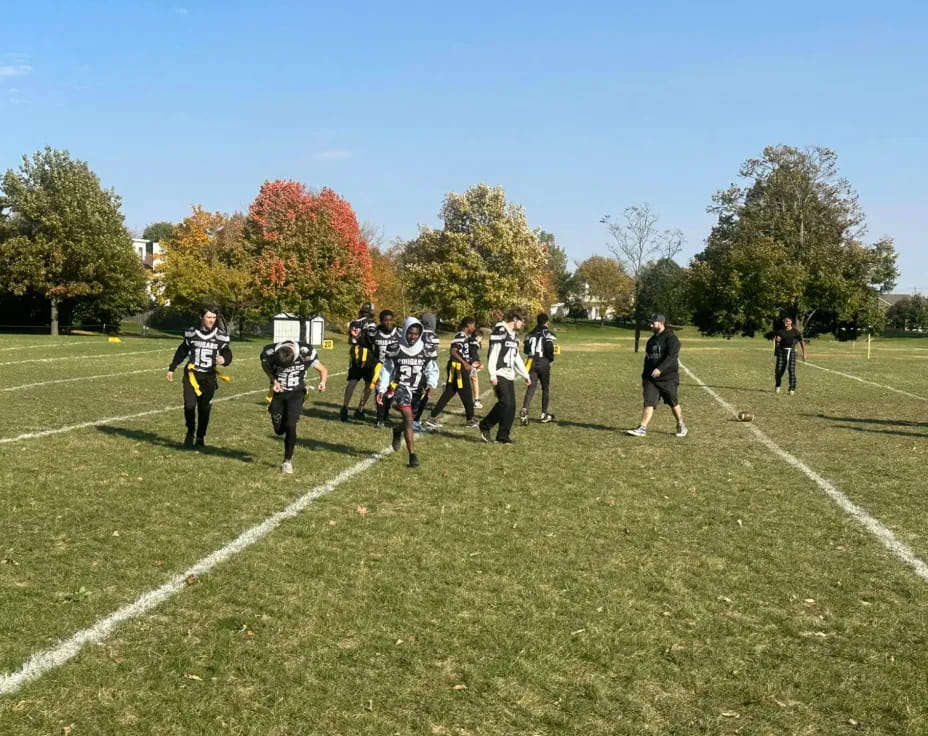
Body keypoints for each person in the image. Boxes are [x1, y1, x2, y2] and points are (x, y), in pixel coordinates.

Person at [376, 317, 439, 468]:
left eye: (416, 334)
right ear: (404, 332)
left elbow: (432, 368)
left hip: (418, 389)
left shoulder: (426, 349)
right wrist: (382, 388)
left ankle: (397, 431)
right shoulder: (395, 348)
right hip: (400, 387)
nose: (412, 337)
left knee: (409, 420)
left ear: (420, 334)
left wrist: (431, 382)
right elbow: (387, 369)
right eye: (410, 333)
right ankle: (412, 456)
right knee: (409, 418)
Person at [167, 306, 233, 448]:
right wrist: (172, 367)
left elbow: (227, 352)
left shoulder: (220, 336)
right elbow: (182, 350)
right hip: (192, 374)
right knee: (189, 406)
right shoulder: (192, 333)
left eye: (214, 318)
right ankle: (190, 430)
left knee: (204, 409)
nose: (211, 320)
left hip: (208, 376)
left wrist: (224, 359)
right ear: (202, 317)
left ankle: (200, 436)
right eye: (208, 317)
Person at [260, 340, 328, 473]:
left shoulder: (306, 352)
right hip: (278, 394)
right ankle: (280, 418)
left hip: (296, 393)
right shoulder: (269, 352)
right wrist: (274, 380)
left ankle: (287, 461)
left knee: (291, 425)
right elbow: (265, 365)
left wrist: (323, 382)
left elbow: (323, 369)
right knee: (279, 430)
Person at [626, 314, 687, 438]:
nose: (651, 325)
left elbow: (671, 356)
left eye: (653, 323)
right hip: (651, 379)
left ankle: (680, 424)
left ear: (660, 323)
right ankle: (642, 428)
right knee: (649, 402)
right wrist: (644, 376)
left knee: (673, 402)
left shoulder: (671, 338)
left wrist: (660, 368)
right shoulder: (651, 340)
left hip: (668, 378)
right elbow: (648, 359)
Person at [479, 309, 531, 444]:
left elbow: (516, 357)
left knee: (512, 406)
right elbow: (494, 353)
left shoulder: (513, 335)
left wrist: (525, 374)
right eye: (522, 320)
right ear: (514, 319)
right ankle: (485, 425)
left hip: (509, 374)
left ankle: (503, 435)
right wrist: (492, 373)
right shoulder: (500, 331)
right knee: (505, 403)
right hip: (499, 372)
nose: (523, 323)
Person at [425, 317, 481, 429]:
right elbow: (454, 351)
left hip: (457, 368)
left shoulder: (465, 337)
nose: (474, 328)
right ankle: (470, 419)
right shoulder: (460, 335)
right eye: (473, 325)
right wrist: (465, 363)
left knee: (449, 393)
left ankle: (432, 417)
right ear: (468, 325)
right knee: (467, 394)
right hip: (458, 369)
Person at [341, 302, 378, 422]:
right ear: (372, 311)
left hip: (355, 353)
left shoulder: (353, 323)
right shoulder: (370, 323)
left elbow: (350, 341)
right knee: (368, 383)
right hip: (368, 355)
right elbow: (372, 340)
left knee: (352, 382)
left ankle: (344, 408)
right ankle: (360, 409)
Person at [520, 313, 557, 425]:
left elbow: (526, 349)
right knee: (545, 388)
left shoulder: (530, 333)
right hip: (543, 361)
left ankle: (525, 410)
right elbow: (549, 346)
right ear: (547, 322)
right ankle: (544, 414)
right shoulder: (547, 333)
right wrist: (550, 359)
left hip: (531, 362)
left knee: (531, 388)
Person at [370, 310, 400, 428]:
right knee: (380, 391)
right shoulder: (375, 333)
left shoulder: (399, 333)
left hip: (395, 366)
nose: (388, 323)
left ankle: (386, 415)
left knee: (391, 392)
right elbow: (369, 347)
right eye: (385, 320)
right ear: (381, 321)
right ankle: (380, 419)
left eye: (390, 320)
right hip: (380, 366)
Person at [413, 312, 440, 430]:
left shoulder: (417, 333)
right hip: (427, 367)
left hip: (415, 365)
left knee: (415, 393)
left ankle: (413, 417)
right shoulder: (434, 336)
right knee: (424, 394)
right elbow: (433, 354)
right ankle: (415, 419)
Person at [774, 316, 807, 395]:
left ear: (790, 322)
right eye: (784, 321)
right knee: (778, 370)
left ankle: (792, 388)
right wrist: (777, 343)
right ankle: (778, 385)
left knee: (791, 370)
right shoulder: (780, 332)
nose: (785, 322)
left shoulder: (795, 332)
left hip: (791, 352)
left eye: (787, 321)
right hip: (781, 351)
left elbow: (802, 342)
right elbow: (777, 342)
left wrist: (804, 353)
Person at [470, 328, 484, 409]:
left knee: (464, 382)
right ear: (478, 336)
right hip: (470, 364)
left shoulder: (468, 340)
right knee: (474, 380)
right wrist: (478, 364)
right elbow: (473, 354)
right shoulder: (474, 343)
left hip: (464, 363)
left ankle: (448, 387)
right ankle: (476, 401)